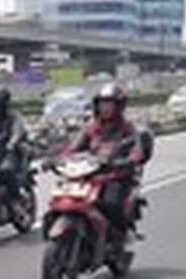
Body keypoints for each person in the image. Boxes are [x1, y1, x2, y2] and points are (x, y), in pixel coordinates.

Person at [63, 83, 150, 234]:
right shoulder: (91, 128)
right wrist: (58, 159)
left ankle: (117, 238)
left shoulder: (128, 129)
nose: (105, 108)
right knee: (66, 200)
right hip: (90, 175)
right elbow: (73, 148)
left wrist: (127, 161)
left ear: (119, 106)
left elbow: (137, 151)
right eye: (102, 104)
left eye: (109, 104)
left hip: (116, 177)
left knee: (110, 204)